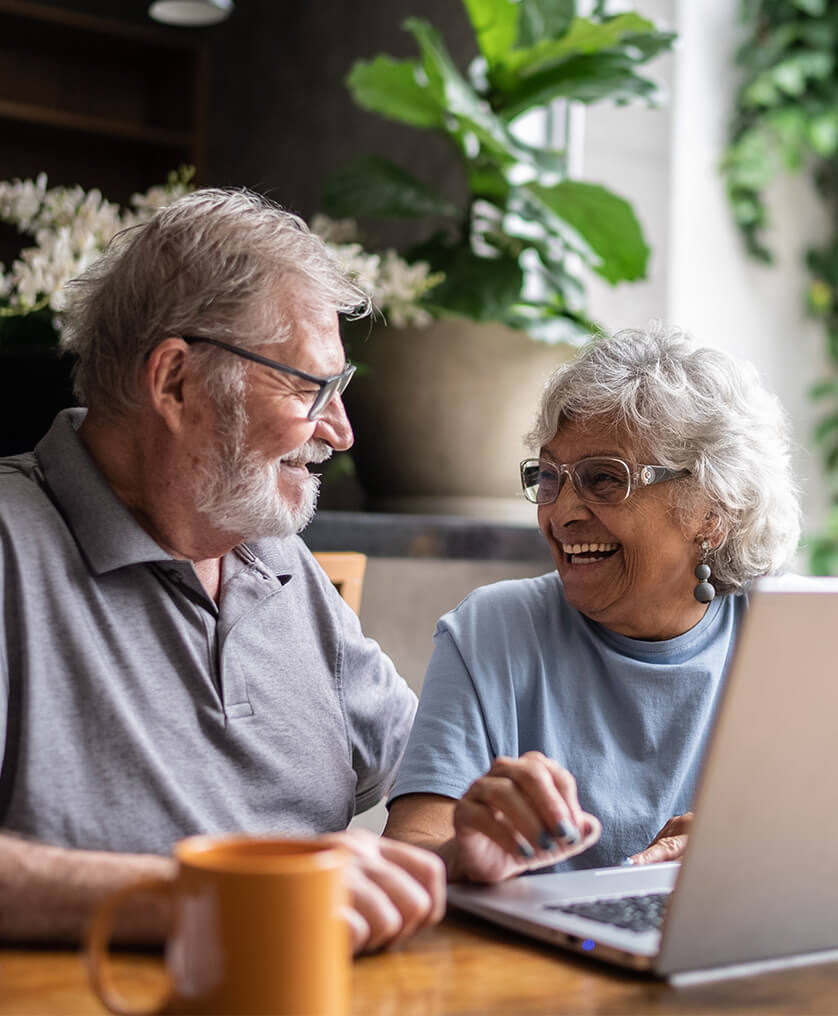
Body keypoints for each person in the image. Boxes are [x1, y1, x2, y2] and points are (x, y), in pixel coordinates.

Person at [0, 187, 444, 951]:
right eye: (309, 386)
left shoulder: (280, 562)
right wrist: (215, 898)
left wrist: (466, 836)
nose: (338, 431)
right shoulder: (11, 547)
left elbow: (429, 773)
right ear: (173, 381)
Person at [384, 326, 802, 884]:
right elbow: (409, 855)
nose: (561, 513)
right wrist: (463, 855)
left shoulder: (792, 640)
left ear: (713, 511)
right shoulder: (491, 630)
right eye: (550, 477)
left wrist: (754, 855)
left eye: (604, 479)